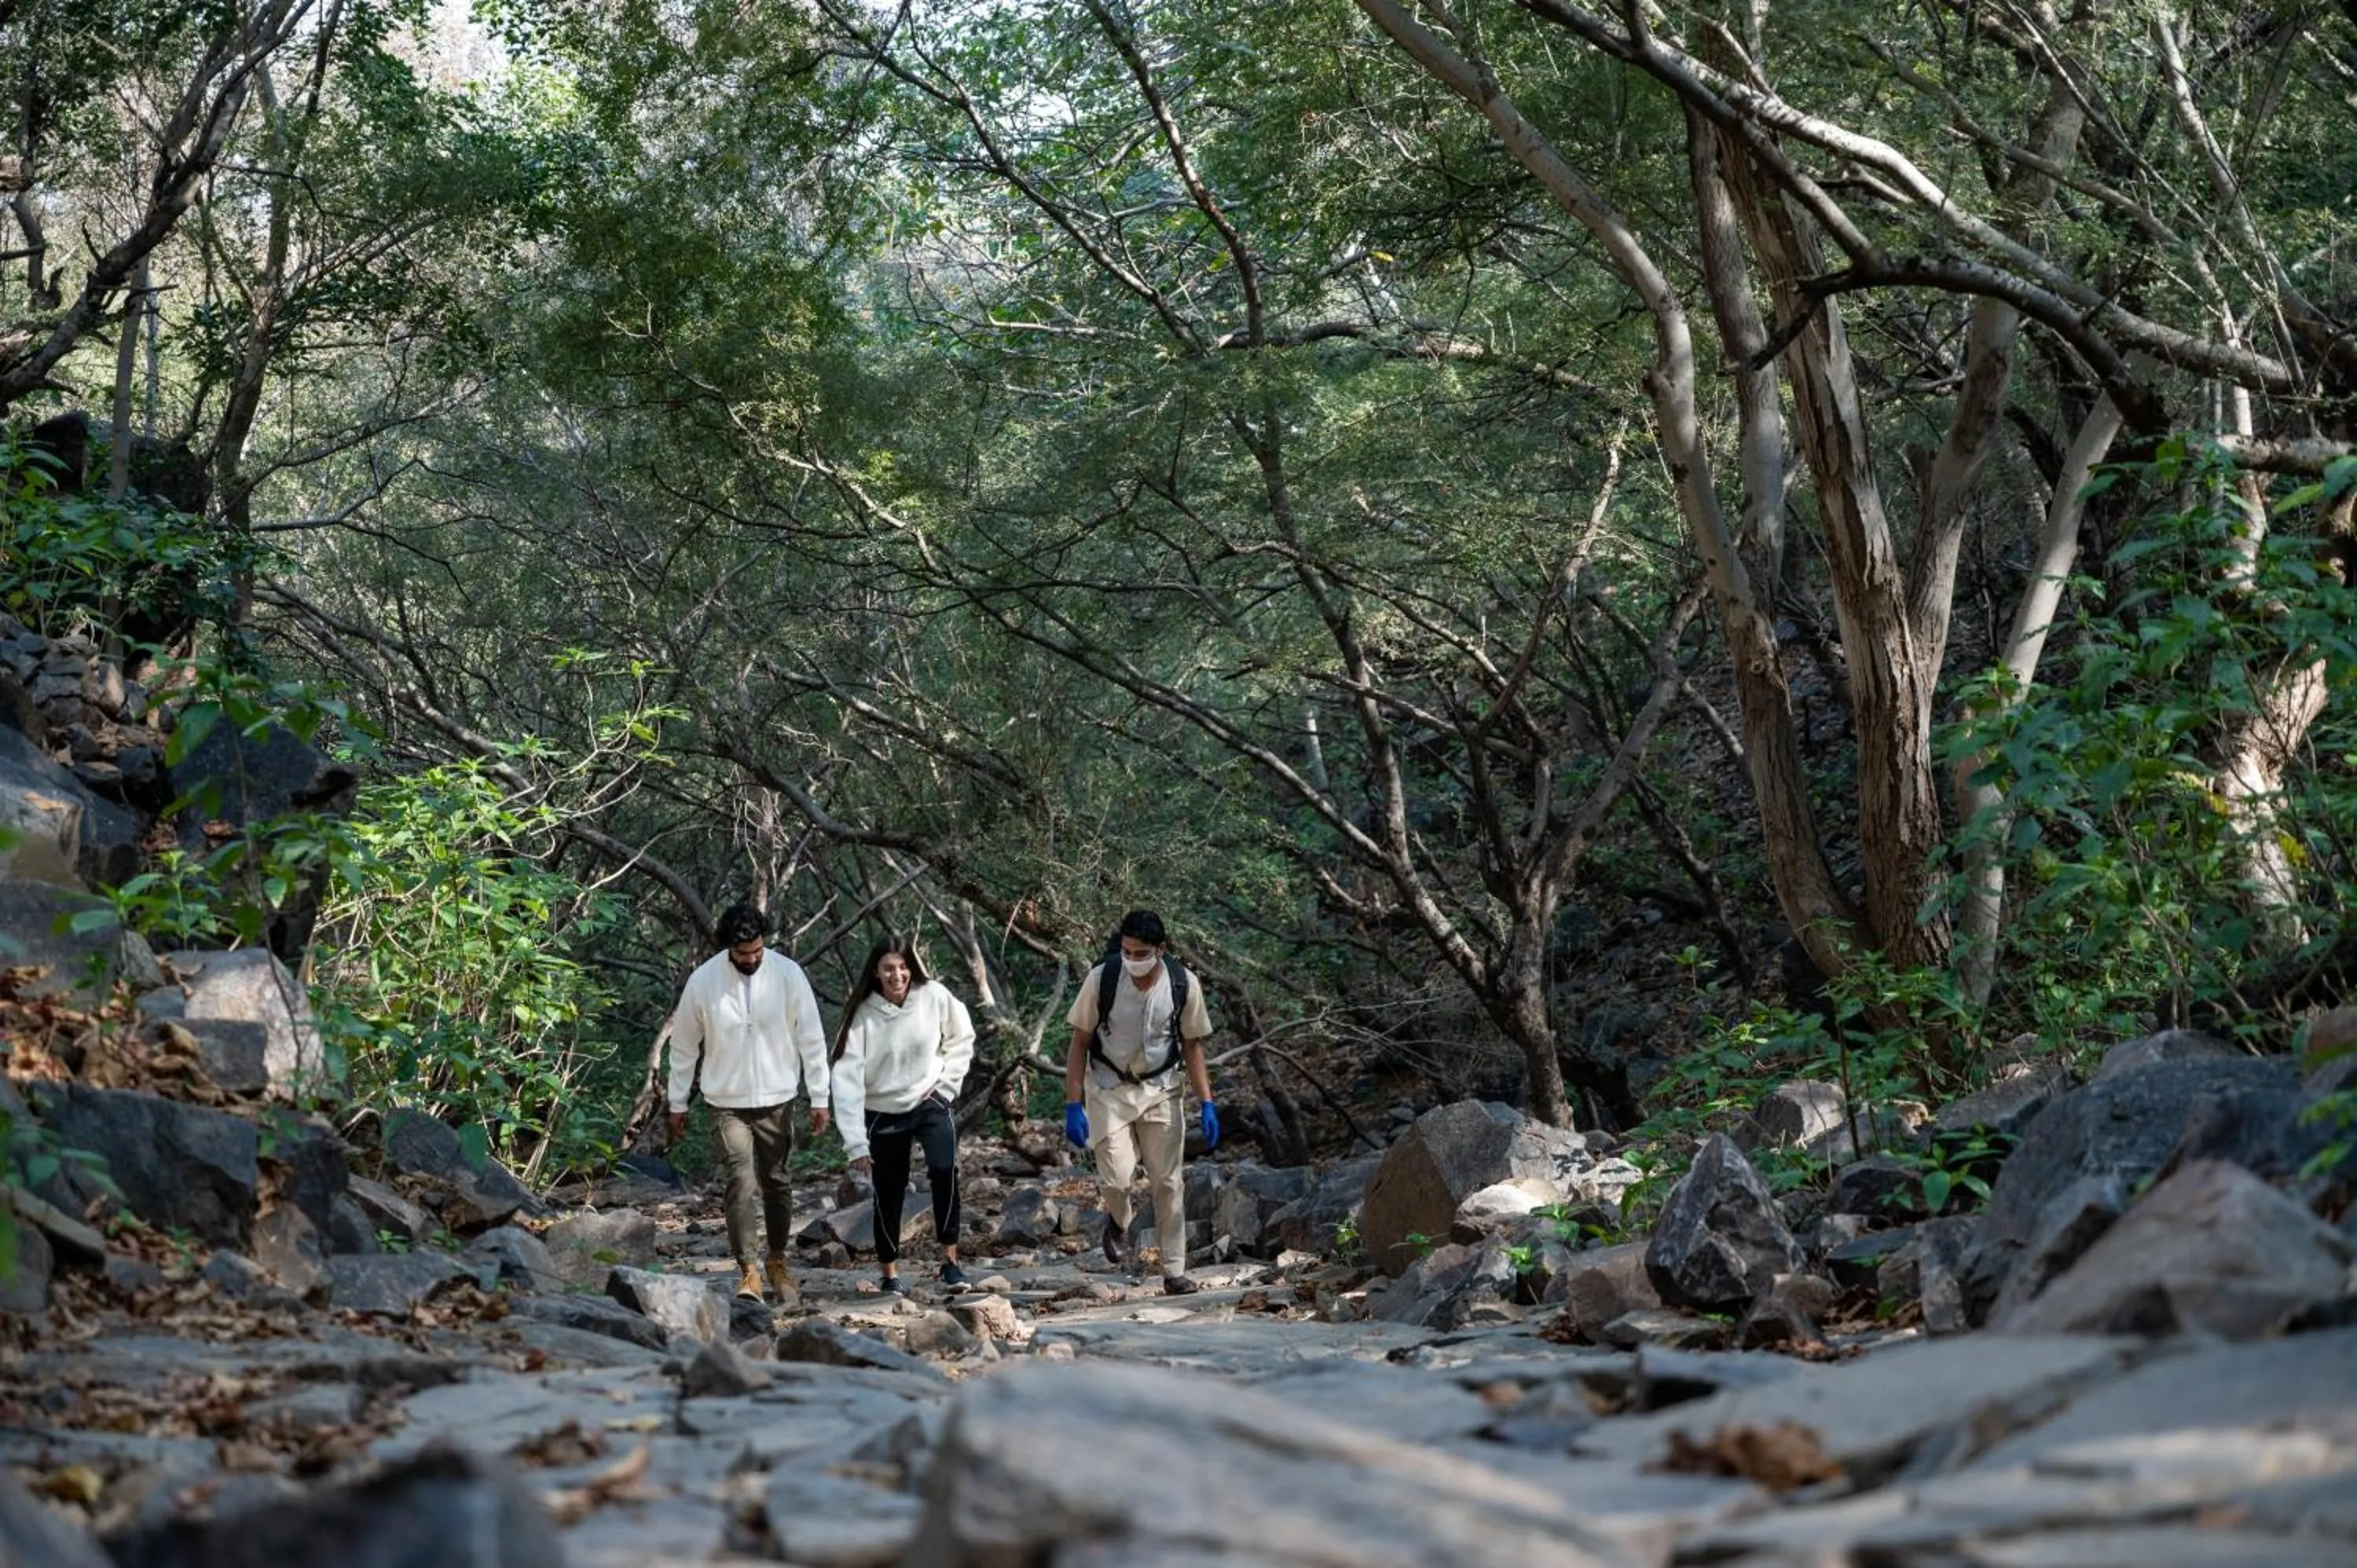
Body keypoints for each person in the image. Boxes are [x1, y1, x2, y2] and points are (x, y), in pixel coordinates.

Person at [665, 900, 830, 1302]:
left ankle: (777, 1260)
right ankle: (749, 1272)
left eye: (757, 951)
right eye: (743, 954)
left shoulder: (789, 975)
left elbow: (811, 1038)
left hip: (778, 1097)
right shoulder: (704, 983)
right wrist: (677, 1102)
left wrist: (820, 1097)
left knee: (777, 1182)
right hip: (725, 1101)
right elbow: (684, 1047)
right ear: (728, 949)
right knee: (741, 1181)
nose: (752, 959)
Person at [1062, 909, 1219, 1295]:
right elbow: (1079, 1041)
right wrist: (1073, 1103)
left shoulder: (1183, 984)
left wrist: (1207, 1102)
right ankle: (1119, 1218)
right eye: (1128, 951)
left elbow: (1193, 1045)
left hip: (1161, 1088)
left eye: (1142, 952)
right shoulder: (1104, 978)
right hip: (1109, 1086)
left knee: (1168, 1181)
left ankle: (1174, 1271)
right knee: (1117, 1177)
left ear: (1161, 950)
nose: (1133, 960)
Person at [830, 933, 977, 1295]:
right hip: (882, 1110)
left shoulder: (934, 996)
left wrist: (946, 1088)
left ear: (911, 967)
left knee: (945, 1172)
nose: (897, 975)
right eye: (888, 969)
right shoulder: (864, 1015)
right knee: (889, 1190)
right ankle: (890, 1272)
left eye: (902, 967)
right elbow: (846, 1080)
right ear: (876, 973)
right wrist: (855, 1144)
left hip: (930, 1101)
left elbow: (962, 1038)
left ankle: (951, 1263)